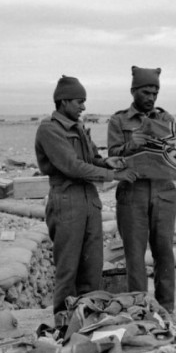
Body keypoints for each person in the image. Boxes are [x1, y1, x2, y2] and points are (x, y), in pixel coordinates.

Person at [35, 75, 137, 326]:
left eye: (84, 101)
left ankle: (88, 320)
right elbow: (72, 166)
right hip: (66, 200)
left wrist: (106, 162)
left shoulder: (79, 127)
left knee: (92, 267)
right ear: (63, 101)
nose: (83, 107)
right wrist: (112, 174)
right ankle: (63, 325)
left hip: (89, 200)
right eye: (79, 101)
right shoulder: (49, 129)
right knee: (68, 269)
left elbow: (91, 157)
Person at [107, 66, 176, 315]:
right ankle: (138, 310)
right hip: (132, 193)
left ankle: (166, 309)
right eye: (146, 92)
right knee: (135, 256)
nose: (151, 97)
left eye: (155, 92)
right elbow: (112, 156)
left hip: (163, 191)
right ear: (133, 91)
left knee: (164, 253)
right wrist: (129, 145)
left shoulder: (166, 120)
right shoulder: (119, 120)